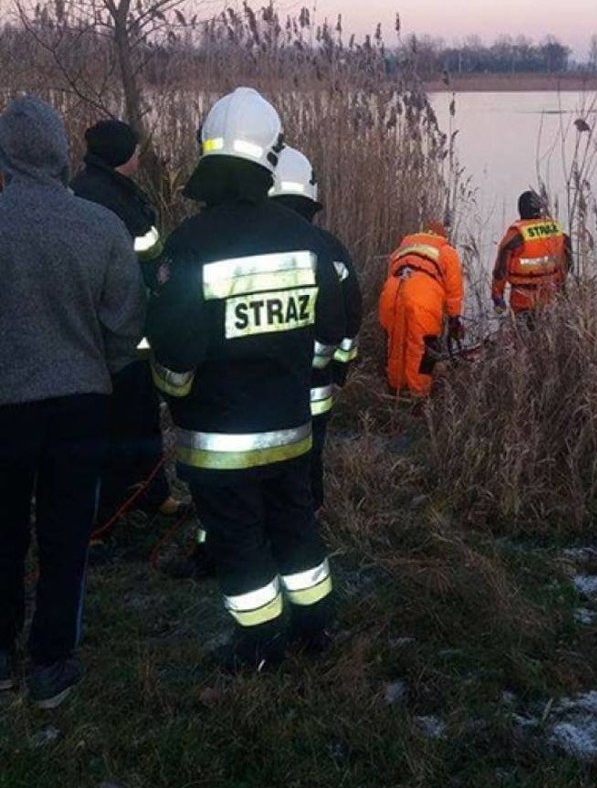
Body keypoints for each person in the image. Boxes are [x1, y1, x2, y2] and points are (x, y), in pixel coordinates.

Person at [146, 88, 345, 671]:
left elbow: (176, 351)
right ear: (271, 157)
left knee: (238, 543)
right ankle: (315, 631)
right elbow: (330, 330)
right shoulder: (307, 239)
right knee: (294, 530)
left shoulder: (190, 244)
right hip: (291, 430)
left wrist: (173, 396)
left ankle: (260, 647)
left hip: (219, 442)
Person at [0, 98, 145, 708]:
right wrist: (103, 368)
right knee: (65, 535)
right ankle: (51, 663)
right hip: (83, 402)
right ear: (62, 154)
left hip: (6, 405)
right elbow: (125, 324)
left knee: (3, 532)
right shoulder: (100, 227)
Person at [71, 119, 180, 529]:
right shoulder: (107, 199)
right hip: (122, 331)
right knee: (123, 419)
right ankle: (109, 514)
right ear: (122, 156)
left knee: (137, 414)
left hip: (111, 331)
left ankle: (151, 495)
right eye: (135, 149)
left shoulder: (91, 188)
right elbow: (149, 260)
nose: (139, 155)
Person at [269, 146, 362, 508]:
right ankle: (308, 521)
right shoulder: (330, 248)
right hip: (315, 389)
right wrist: (338, 365)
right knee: (309, 460)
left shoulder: (247, 245)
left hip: (257, 392)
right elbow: (351, 313)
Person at [378, 220, 464, 397]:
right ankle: (418, 396)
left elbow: (391, 271)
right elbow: (454, 291)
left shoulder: (405, 245)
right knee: (422, 349)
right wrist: (454, 318)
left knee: (395, 343)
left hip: (392, 291)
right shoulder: (447, 251)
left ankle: (395, 388)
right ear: (442, 236)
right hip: (423, 296)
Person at [491, 190, 570, 320]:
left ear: (521, 210)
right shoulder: (557, 232)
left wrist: (497, 297)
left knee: (524, 336)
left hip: (522, 300)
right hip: (550, 297)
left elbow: (500, 271)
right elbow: (567, 264)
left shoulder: (516, 236)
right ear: (540, 209)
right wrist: (562, 291)